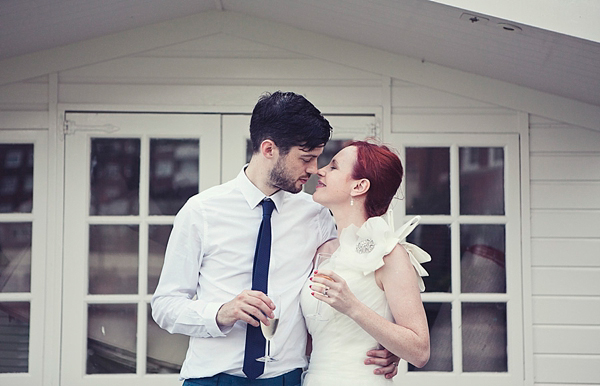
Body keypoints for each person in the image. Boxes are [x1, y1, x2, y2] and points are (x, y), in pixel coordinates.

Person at [151, 91, 399, 386]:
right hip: (211, 378)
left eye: (318, 159)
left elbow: (347, 288)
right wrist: (220, 313)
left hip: (287, 378)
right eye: (305, 158)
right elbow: (165, 305)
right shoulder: (201, 211)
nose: (313, 169)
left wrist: (383, 345)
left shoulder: (318, 216)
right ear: (269, 149)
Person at [300, 140, 432, 385]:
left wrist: (352, 306)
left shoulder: (390, 254)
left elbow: (420, 351)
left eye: (334, 167)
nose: (320, 170)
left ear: (359, 186)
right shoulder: (322, 251)